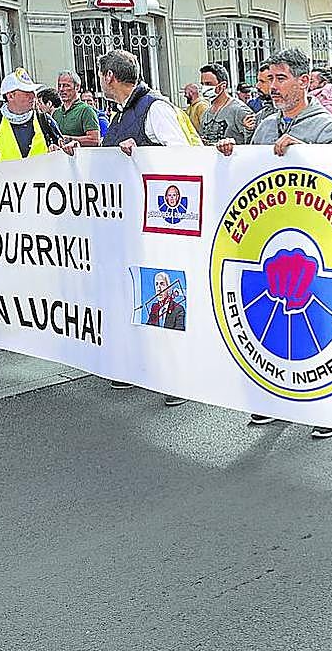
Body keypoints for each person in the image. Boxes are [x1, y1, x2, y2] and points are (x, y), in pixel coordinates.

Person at [217, 47, 332, 438]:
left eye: (281, 78)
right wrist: (231, 154)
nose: (272, 87)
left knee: (316, 330)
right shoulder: (263, 127)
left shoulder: (325, 127)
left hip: (314, 246)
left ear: (304, 82)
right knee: (270, 330)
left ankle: (326, 408)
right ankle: (276, 400)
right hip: (271, 241)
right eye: (268, 79)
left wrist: (304, 153)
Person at [99, 49, 192, 405]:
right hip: (132, 220)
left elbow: (182, 156)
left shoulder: (155, 109)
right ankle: (141, 366)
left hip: (162, 221)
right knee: (137, 293)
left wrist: (141, 151)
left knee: (167, 296)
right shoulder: (124, 111)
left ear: (109, 76)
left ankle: (178, 377)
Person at [197, 63, 252, 146]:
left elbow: (252, 141)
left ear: (223, 86)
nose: (204, 88)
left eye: (208, 84)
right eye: (202, 84)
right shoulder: (206, 113)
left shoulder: (239, 110)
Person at [52, 71, 101, 147]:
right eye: (59, 86)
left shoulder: (86, 110)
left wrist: (70, 139)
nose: (61, 89)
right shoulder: (56, 113)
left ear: (77, 87)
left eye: (66, 85)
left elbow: (94, 140)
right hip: (61, 157)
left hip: (82, 157)